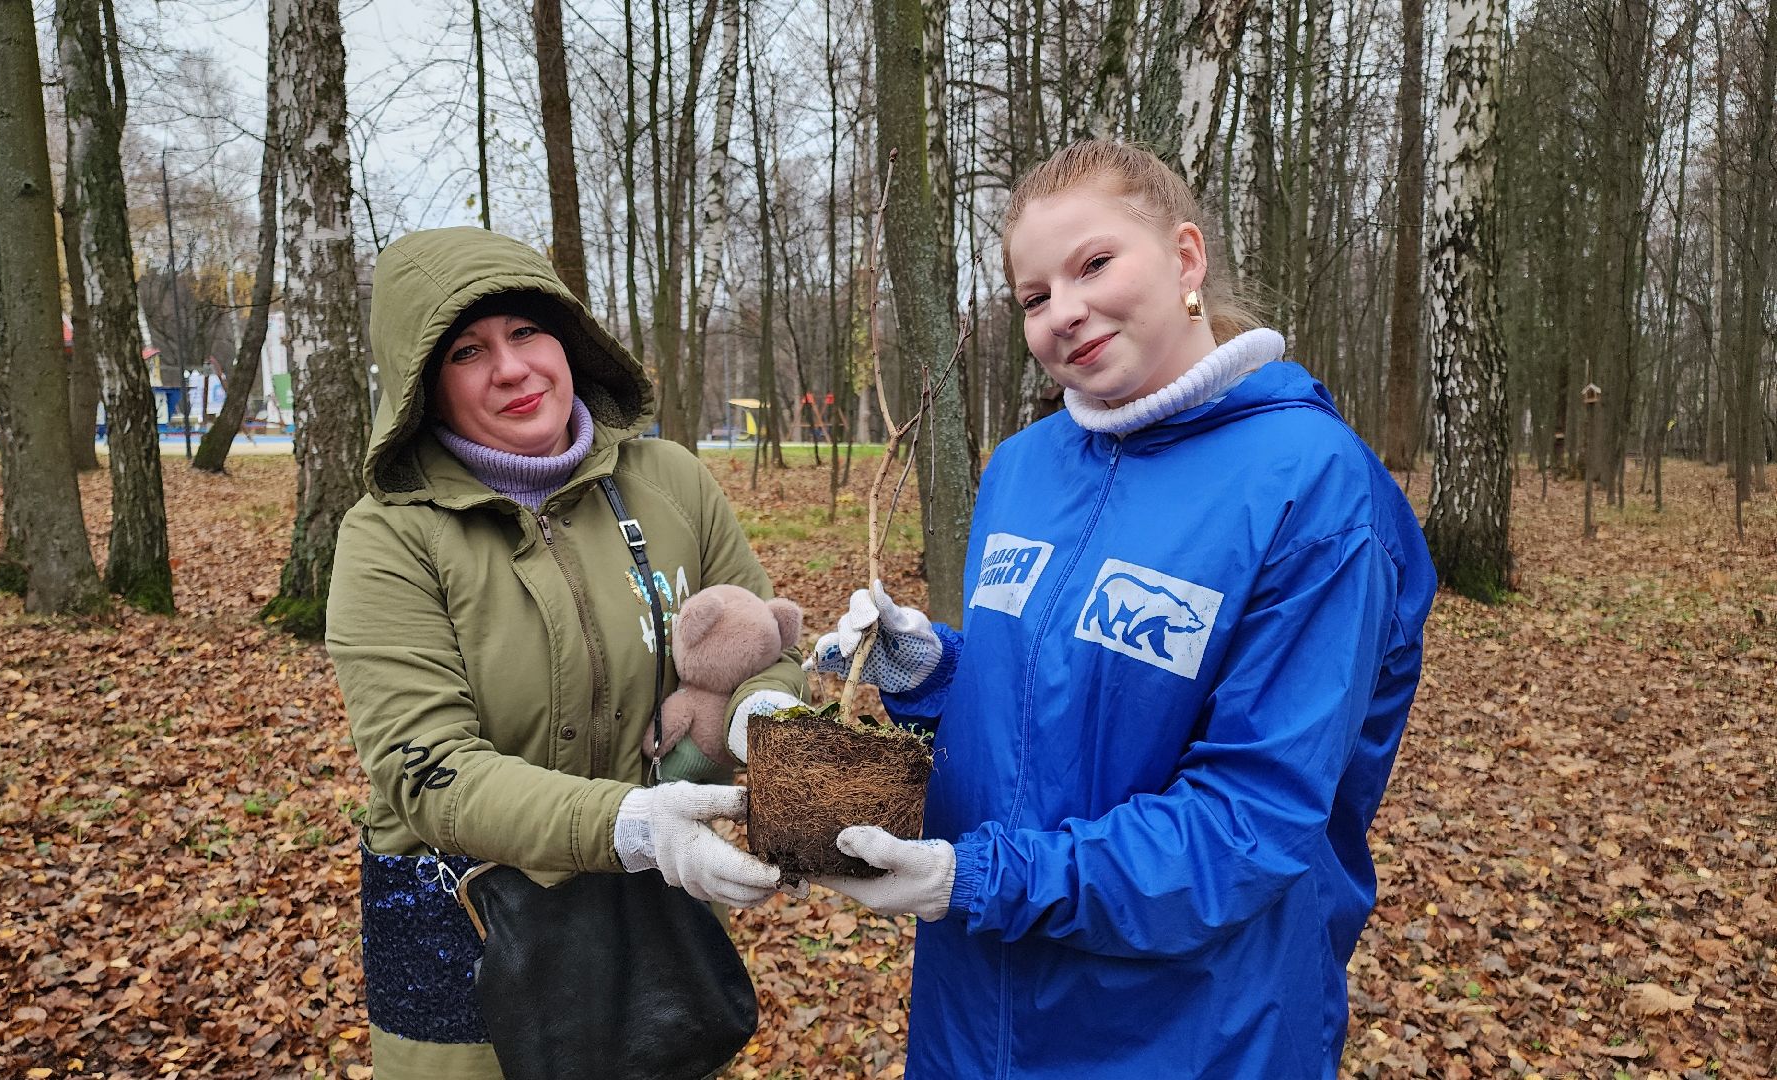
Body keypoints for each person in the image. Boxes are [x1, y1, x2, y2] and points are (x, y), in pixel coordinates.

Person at [806, 140, 1438, 1078]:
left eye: (1095, 264)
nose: (1065, 311)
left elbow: (1247, 823)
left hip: (1189, 1028)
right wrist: (940, 675)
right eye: (1033, 296)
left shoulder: (1314, 490)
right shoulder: (1023, 468)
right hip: (975, 1017)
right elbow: (1059, 712)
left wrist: (978, 877)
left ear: (1186, 258)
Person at [326, 227, 803, 1079]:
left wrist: (765, 718)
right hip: (469, 949)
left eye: (526, 333)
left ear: (569, 342)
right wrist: (626, 824)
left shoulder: (674, 483)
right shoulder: (387, 541)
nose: (511, 369)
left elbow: (760, 647)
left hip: (652, 946)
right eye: (468, 350)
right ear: (423, 388)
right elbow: (426, 766)